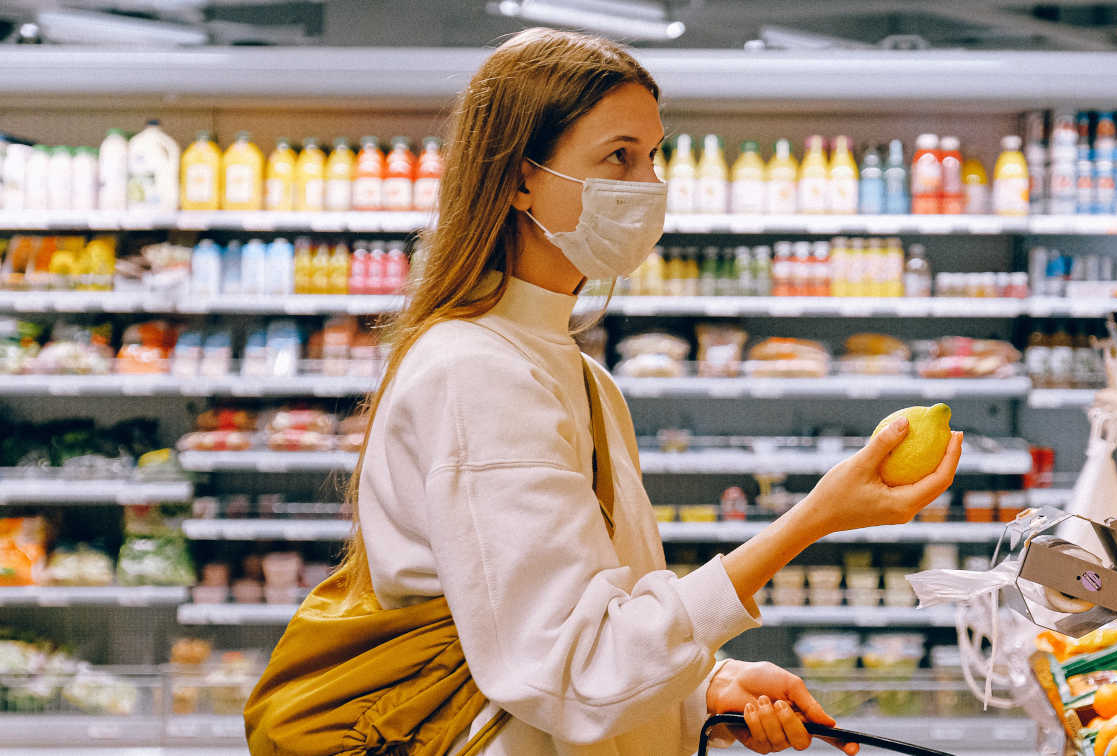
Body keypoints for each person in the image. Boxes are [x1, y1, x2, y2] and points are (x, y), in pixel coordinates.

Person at [327, 27, 962, 755]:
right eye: (618, 157)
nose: (649, 186)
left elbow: (597, 624)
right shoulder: (475, 374)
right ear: (519, 178)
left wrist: (702, 687)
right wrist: (810, 520)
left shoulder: (576, 373)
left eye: (654, 156)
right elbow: (578, 670)